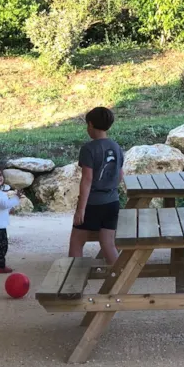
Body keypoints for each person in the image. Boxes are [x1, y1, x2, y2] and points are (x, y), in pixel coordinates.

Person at [69, 106, 124, 265]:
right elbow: (120, 175)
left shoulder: (89, 149)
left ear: (91, 125)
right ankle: (119, 279)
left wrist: (81, 209)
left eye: (87, 125)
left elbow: (87, 179)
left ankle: (72, 282)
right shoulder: (116, 147)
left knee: (76, 243)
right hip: (112, 202)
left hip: (93, 203)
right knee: (108, 243)